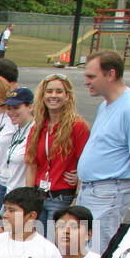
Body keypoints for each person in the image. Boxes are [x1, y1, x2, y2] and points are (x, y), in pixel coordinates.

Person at [77, 51, 130, 254]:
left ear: (110, 74)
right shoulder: (105, 105)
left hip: (107, 192)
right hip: (91, 190)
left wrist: (128, 180)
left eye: (91, 76)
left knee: (94, 253)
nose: (86, 82)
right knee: (79, 250)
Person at [24, 73, 89, 233]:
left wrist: (76, 197)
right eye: (49, 91)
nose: (53, 95)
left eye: (59, 91)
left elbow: (85, 162)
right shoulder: (37, 126)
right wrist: (30, 199)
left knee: (59, 245)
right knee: (38, 245)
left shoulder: (77, 126)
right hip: (40, 196)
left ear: (67, 96)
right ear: (43, 95)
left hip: (62, 198)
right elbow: (32, 165)